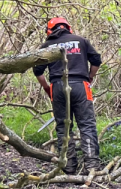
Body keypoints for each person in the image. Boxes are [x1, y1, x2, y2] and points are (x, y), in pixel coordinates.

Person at [36, 17, 103, 175]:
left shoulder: (47, 45)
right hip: (80, 85)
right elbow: (96, 61)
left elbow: (37, 71)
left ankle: (69, 165)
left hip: (57, 86)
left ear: (50, 30)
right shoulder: (81, 41)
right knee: (87, 125)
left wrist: (47, 88)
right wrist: (90, 76)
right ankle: (92, 166)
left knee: (63, 127)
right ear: (68, 28)